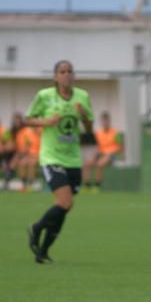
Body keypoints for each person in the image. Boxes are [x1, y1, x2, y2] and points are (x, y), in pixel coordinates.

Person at [25, 60, 94, 264]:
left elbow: (89, 130)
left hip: (73, 158)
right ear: (55, 77)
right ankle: (36, 228)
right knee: (66, 202)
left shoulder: (82, 96)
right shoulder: (45, 96)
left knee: (64, 207)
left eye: (70, 71)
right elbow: (28, 119)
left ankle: (43, 250)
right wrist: (45, 122)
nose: (66, 74)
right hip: (51, 156)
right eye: (62, 72)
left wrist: (84, 116)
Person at [83, 112, 123, 190]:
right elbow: (99, 147)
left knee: (100, 164)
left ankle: (97, 186)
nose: (105, 123)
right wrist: (94, 155)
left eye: (106, 121)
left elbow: (121, 146)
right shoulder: (98, 133)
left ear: (109, 121)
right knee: (87, 163)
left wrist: (122, 156)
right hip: (101, 154)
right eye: (103, 121)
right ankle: (87, 186)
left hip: (112, 155)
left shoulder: (116, 132)